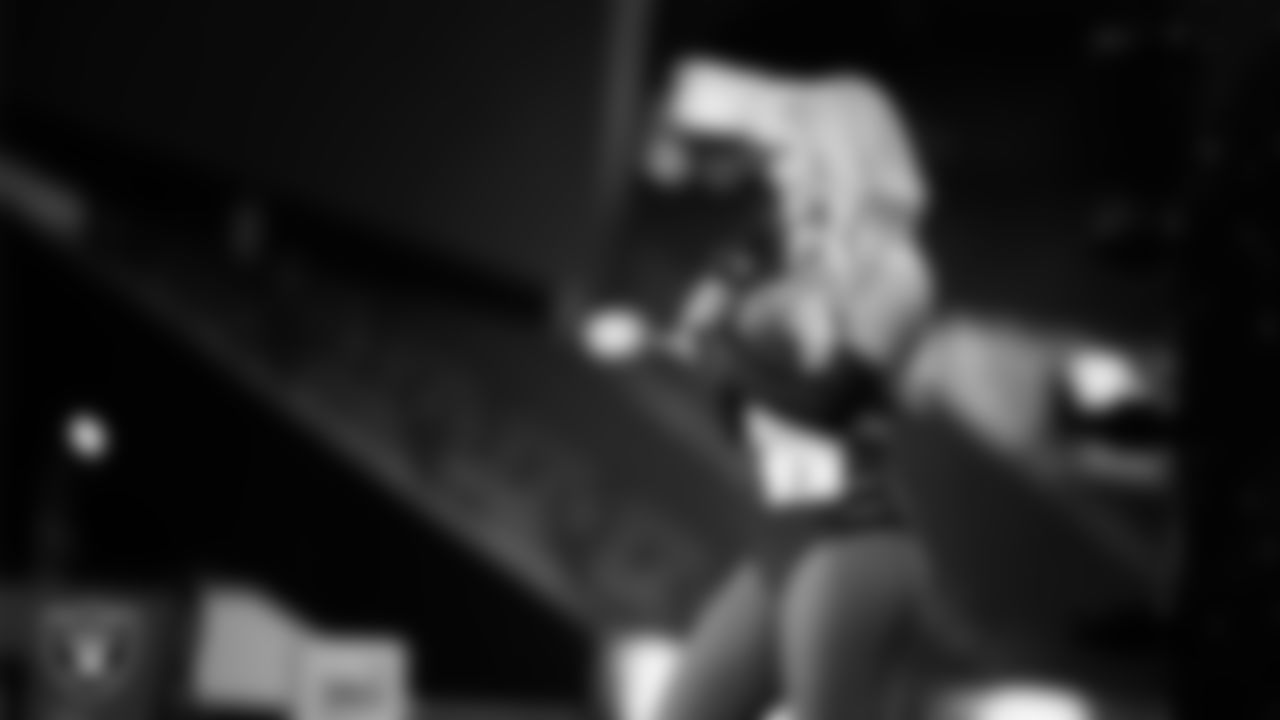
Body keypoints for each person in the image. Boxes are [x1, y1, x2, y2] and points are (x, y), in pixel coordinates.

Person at [618, 56, 1179, 720]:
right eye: (782, 166)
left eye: (799, 163)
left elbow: (826, 403)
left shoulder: (896, 271)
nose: (785, 179)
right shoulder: (774, 265)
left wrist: (731, 349)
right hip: (783, 540)